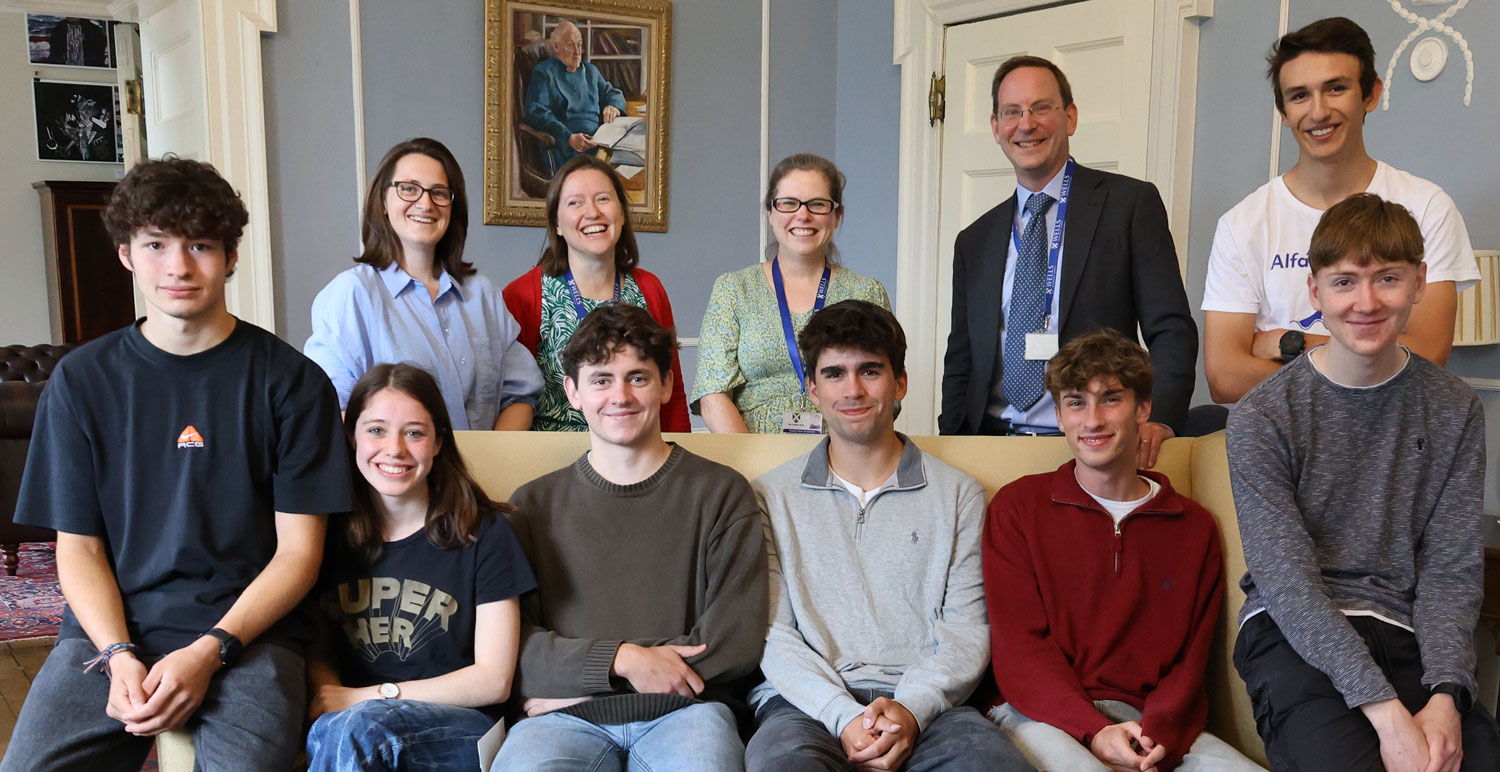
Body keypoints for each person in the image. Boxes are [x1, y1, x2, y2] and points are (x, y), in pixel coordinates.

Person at [1, 157, 352, 772]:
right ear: (126, 254)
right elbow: (76, 549)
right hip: (110, 630)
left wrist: (211, 650)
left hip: (252, 635)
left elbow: (300, 554)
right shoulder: (81, 382)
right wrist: (116, 654)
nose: (178, 267)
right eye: (156, 244)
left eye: (200, 245)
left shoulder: (293, 383)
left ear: (232, 255)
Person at [1229, 194, 1500, 772]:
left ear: (1421, 282)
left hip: (1405, 630)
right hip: (1293, 631)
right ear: (1315, 291)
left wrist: (1447, 695)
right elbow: (1288, 583)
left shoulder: (1453, 409)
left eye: (1388, 278)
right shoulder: (1263, 416)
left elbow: (1451, 568)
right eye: (1345, 281)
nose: (1367, 302)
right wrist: (1385, 710)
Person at [746, 300, 1031, 772]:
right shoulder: (769, 495)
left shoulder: (959, 495)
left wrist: (910, 710)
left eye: (870, 371)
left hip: (928, 706)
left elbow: (967, 629)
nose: (853, 390)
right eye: (834, 374)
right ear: (812, 389)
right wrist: (842, 716)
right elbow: (773, 632)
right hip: (804, 703)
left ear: (900, 383)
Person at [491, 304, 766, 771]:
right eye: (601, 379)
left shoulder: (722, 492)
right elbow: (516, 648)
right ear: (573, 392)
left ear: (667, 385)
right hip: (560, 721)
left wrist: (587, 680)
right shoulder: (531, 505)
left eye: (637, 377)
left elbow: (735, 641)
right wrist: (623, 660)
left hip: (687, 714)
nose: (620, 395)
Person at [984, 329, 1263, 772]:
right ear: (1059, 416)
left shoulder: (1194, 527)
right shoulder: (1018, 508)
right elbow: (1019, 649)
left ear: (1144, 408)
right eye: (1076, 402)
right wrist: (1093, 730)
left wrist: (1158, 735)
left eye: (1111, 398)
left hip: (1154, 724)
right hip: (1040, 715)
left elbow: (1191, 663)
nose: (1092, 420)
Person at [1202, 17, 1478, 404]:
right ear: (1283, 111)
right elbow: (1224, 378)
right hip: (1277, 450)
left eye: (1335, 88)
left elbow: (1427, 358)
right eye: (1299, 95)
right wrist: (1371, 362)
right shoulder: (1242, 224)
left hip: (1391, 445)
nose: (1318, 112)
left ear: (1371, 94)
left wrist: (1287, 343)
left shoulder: (1428, 207)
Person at [941, 55, 1196, 466]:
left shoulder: (1128, 206)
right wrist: (949, 448)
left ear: (1070, 117)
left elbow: (1171, 329)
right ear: (996, 128)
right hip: (988, 447)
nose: (1026, 124)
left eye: (1041, 108)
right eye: (1012, 112)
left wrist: (1161, 418)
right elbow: (962, 361)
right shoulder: (974, 240)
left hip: (1092, 447)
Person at [304, 364, 536, 772]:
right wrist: (332, 695)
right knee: (342, 730)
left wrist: (371, 697)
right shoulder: (325, 535)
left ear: (438, 442)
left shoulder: (485, 533)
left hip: (464, 727)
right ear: (350, 436)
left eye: (414, 432)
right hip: (351, 731)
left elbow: (493, 679)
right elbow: (317, 648)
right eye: (376, 430)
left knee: (359, 727)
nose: (394, 449)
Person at [305, 137, 543, 431]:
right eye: (408, 189)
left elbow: (520, 395)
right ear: (382, 202)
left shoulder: (484, 295)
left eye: (439, 192)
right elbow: (334, 411)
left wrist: (491, 468)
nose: (425, 203)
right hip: (392, 475)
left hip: (488, 474)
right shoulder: (351, 295)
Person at [694, 153, 891, 434]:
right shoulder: (734, 289)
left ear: (837, 216)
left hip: (845, 455)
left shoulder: (866, 292)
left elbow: (882, 390)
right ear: (769, 212)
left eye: (817, 204)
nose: (803, 215)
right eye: (788, 203)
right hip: (752, 459)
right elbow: (713, 394)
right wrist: (752, 468)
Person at [502, 154, 690, 432]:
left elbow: (670, 390)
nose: (592, 212)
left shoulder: (650, 288)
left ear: (622, 213)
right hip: (552, 461)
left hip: (637, 455)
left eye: (603, 199)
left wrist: (678, 464)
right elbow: (514, 400)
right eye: (575, 202)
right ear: (556, 224)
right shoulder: (523, 295)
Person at [523, 19, 628, 169]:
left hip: (601, 143)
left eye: (579, 44)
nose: (577, 51)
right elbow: (535, 112)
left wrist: (613, 106)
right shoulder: (544, 72)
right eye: (570, 45)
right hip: (566, 149)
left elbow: (612, 93)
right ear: (556, 46)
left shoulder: (590, 71)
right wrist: (568, 138)